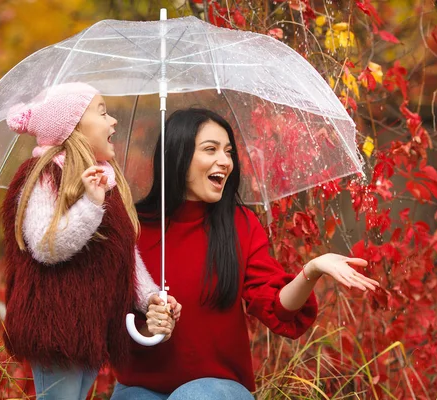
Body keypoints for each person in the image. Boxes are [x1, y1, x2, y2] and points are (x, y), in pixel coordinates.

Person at [111, 108, 379, 400]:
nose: (225, 161)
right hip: (140, 386)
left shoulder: (240, 224)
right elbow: (110, 319)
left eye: (228, 151)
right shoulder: (131, 226)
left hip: (216, 389)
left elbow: (277, 307)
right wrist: (149, 328)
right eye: (210, 149)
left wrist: (312, 269)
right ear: (178, 155)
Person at [0, 82, 180, 400]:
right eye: (102, 112)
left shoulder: (103, 180)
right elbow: (45, 245)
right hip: (55, 324)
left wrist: (150, 297)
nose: (113, 121)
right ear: (74, 127)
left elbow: (123, 254)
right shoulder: (43, 175)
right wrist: (90, 206)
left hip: (90, 326)